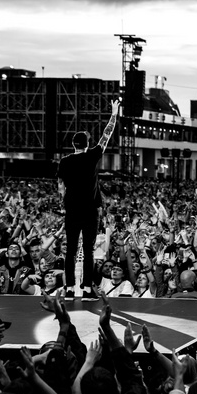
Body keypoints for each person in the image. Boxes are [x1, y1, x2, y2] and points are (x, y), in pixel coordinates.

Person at [57, 99, 120, 298]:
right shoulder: (92, 155)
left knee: (71, 251)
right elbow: (106, 135)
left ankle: (68, 288)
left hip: (72, 210)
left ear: (73, 144)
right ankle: (85, 289)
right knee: (89, 251)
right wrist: (114, 114)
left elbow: (60, 185)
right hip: (90, 211)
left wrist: (65, 202)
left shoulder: (65, 161)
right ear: (87, 144)